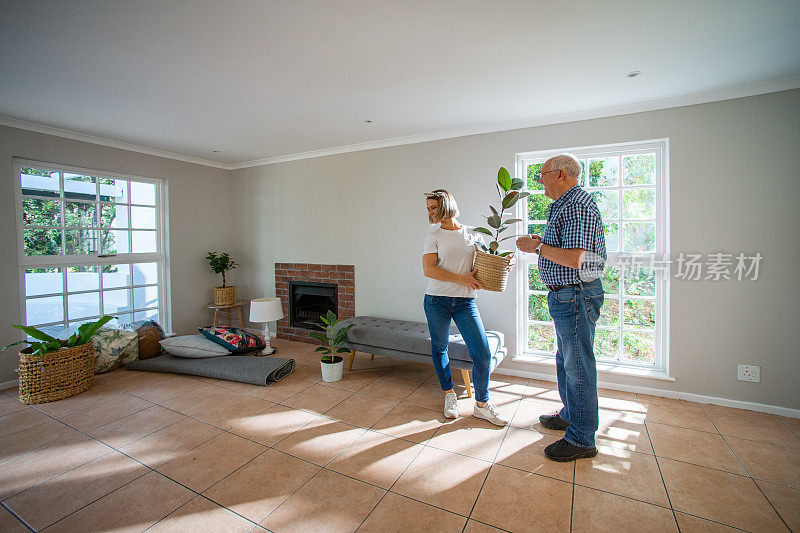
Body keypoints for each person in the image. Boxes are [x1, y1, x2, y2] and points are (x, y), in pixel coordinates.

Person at [516, 154, 606, 461]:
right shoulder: (566, 204)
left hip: (576, 294)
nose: (539, 181)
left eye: (542, 175)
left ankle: (581, 439)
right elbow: (568, 248)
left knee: (577, 365)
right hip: (567, 295)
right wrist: (542, 241)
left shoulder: (577, 204)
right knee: (566, 361)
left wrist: (538, 247)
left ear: (562, 174)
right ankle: (571, 415)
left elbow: (576, 258)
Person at [422, 189, 510, 426]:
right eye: (428, 208)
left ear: (446, 205)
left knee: (481, 353)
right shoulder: (434, 235)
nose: (429, 212)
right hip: (436, 300)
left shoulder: (472, 234)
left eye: (433, 207)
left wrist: (502, 264)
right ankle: (449, 395)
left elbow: (486, 261)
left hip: (465, 302)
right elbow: (429, 270)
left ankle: (482, 405)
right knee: (440, 348)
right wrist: (461, 278)